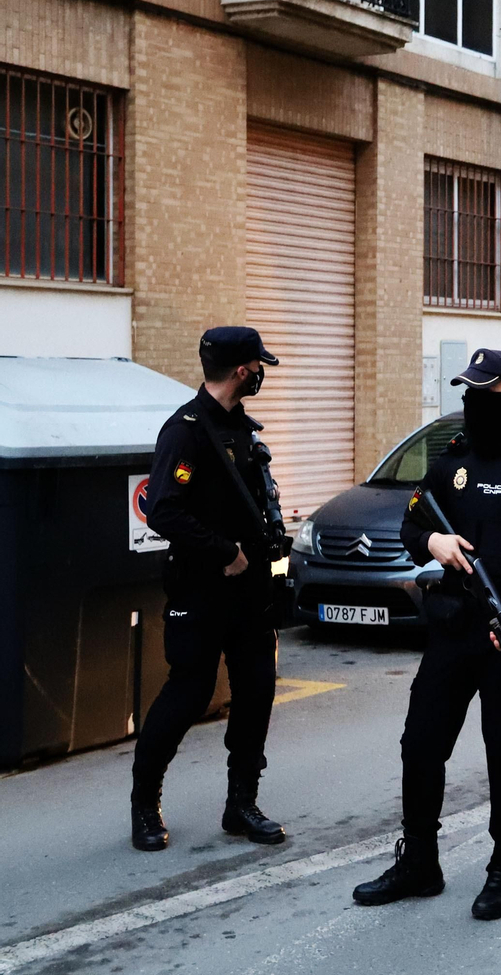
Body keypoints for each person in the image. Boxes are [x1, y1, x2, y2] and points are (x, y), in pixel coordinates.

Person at [352, 349, 501, 921]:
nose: (472, 401)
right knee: (420, 744)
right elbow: (412, 523)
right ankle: (419, 862)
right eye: (468, 391)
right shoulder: (452, 461)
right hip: (455, 625)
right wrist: (433, 543)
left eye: (484, 392)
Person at [130, 326, 286, 853]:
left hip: (252, 592)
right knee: (189, 694)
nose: (261, 374)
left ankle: (242, 804)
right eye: (258, 366)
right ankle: (145, 804)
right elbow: (163, 509)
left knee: (256, 693)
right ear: (242, 370)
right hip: (201, 589)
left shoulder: (243, 429)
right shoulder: (185, 431)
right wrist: (223, 552)